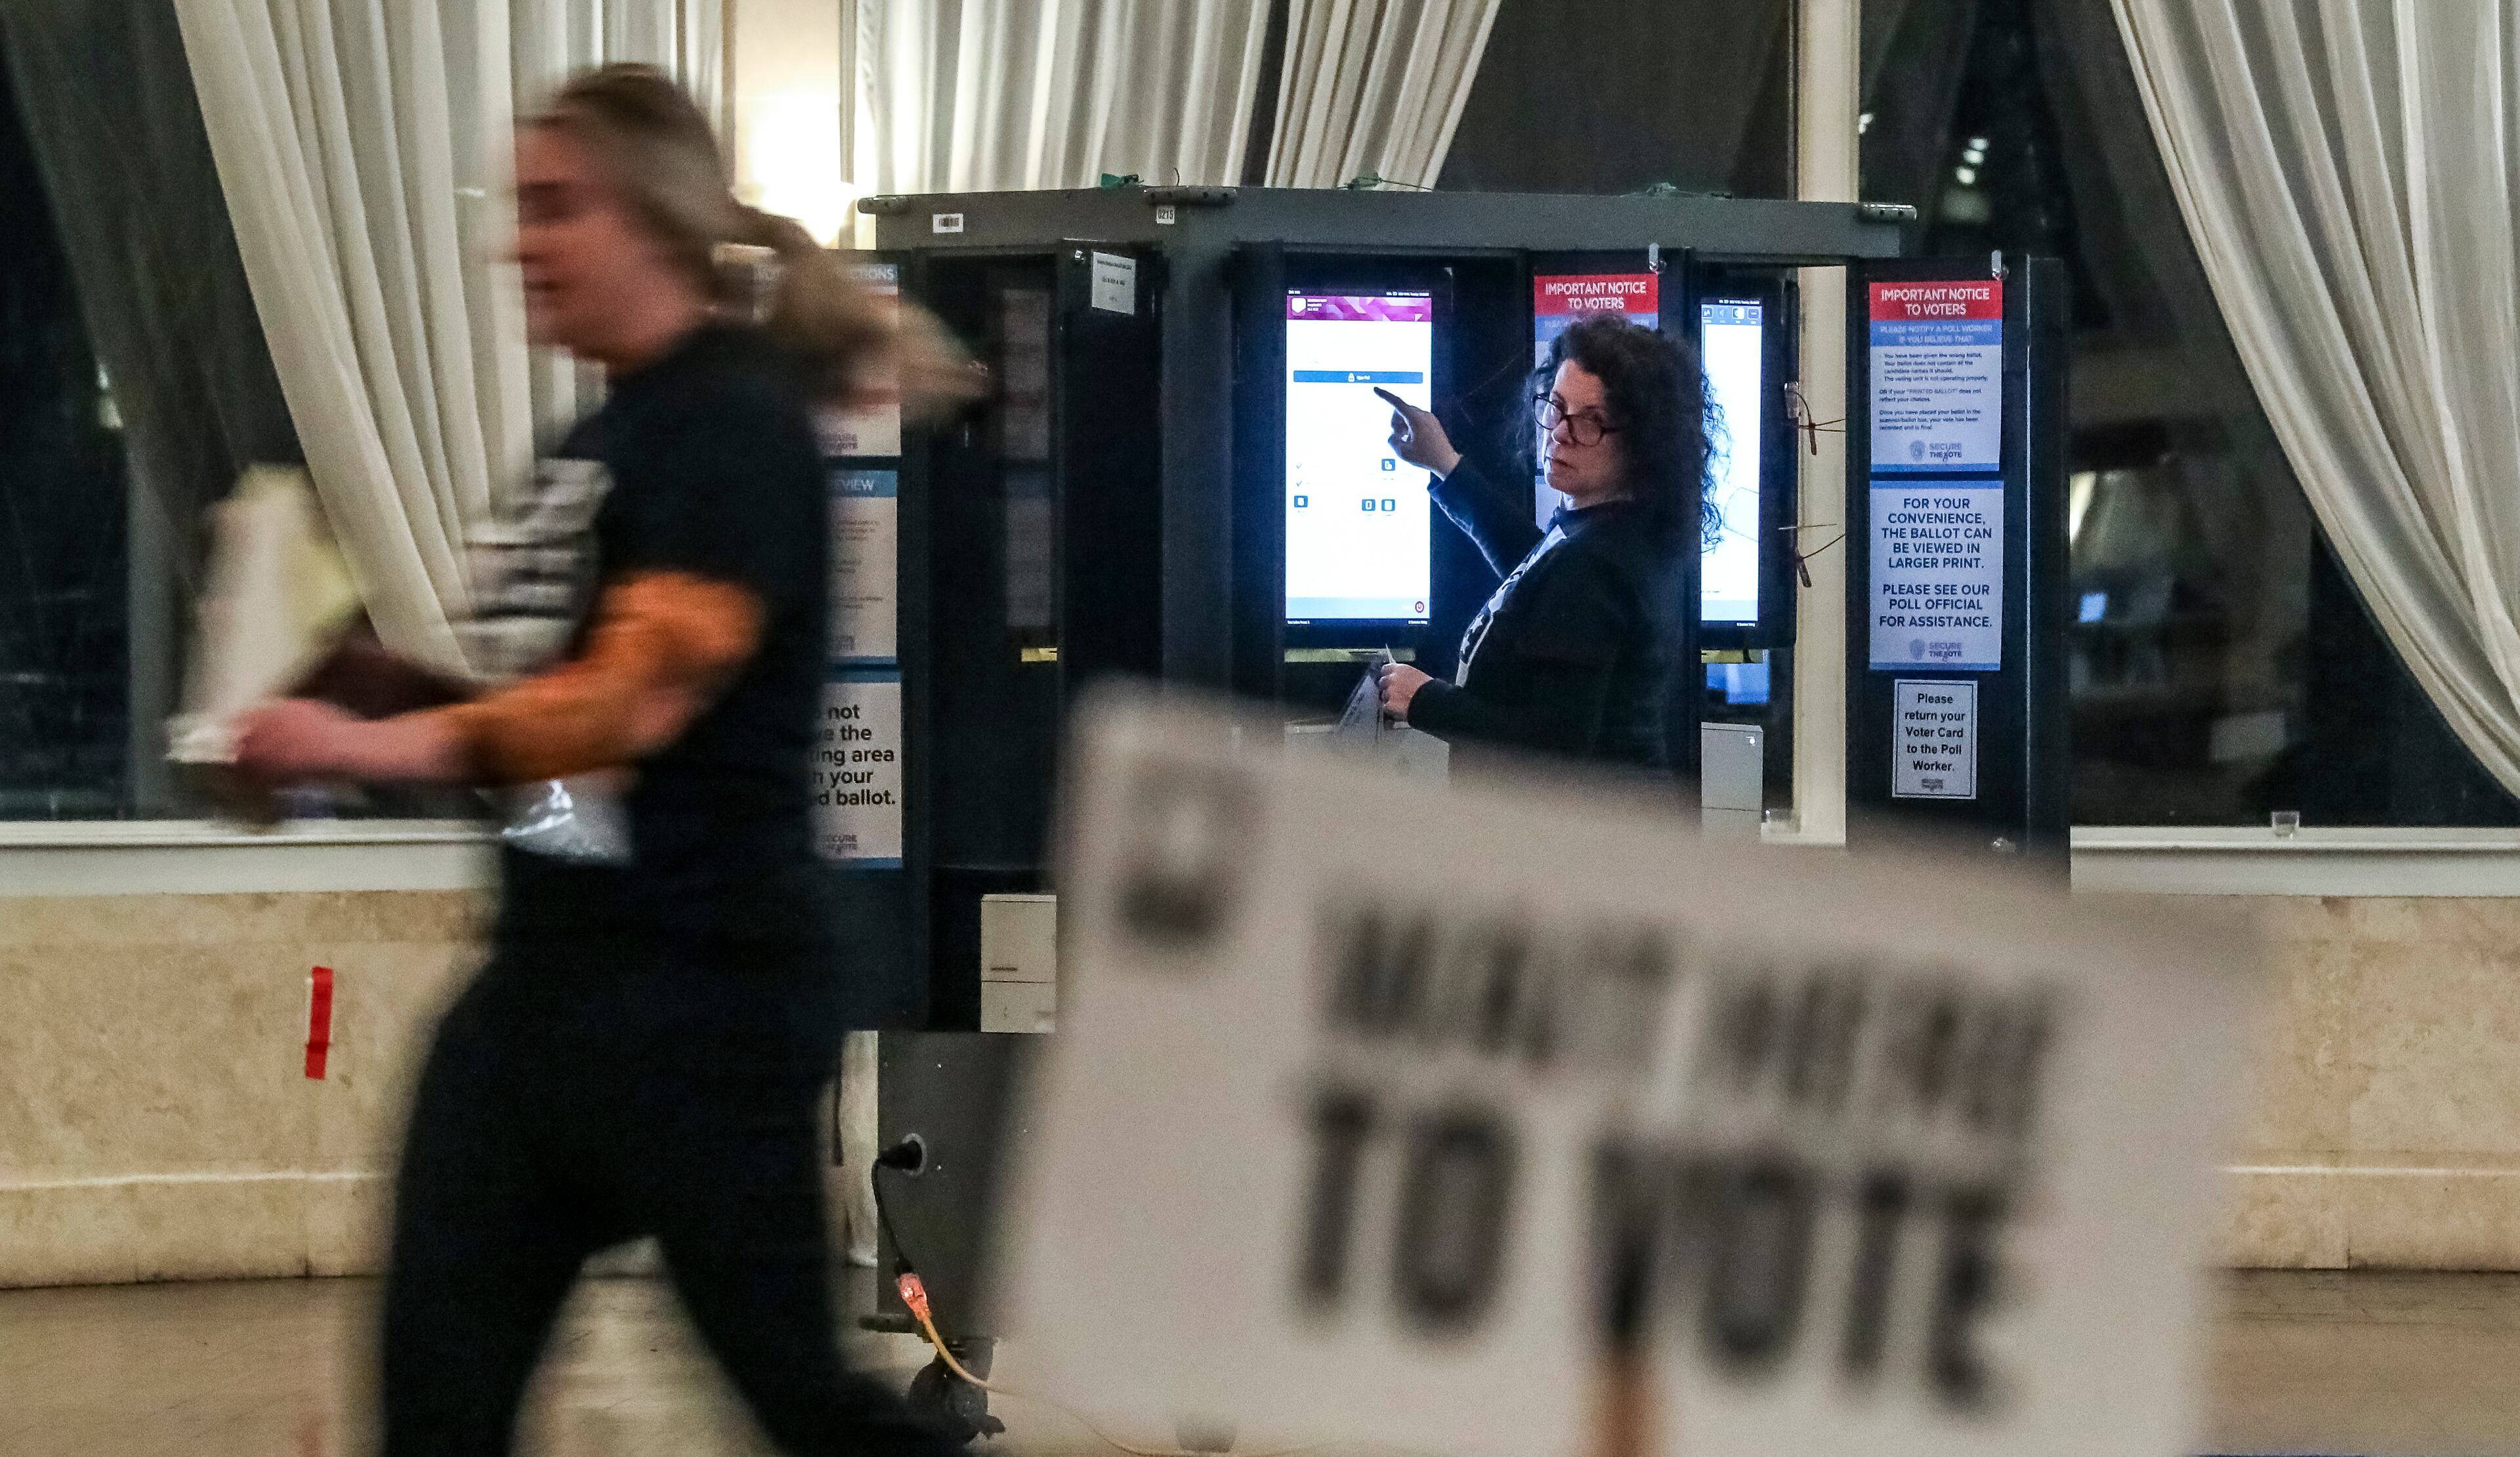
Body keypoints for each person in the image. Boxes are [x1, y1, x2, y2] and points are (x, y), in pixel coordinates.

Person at [232, 65, 967, 1457]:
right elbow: (566, 755)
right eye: (519, 208)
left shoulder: (732, 429)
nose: (521, 242)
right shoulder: (601, 441)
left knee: (804, 1412)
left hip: (703, 1002)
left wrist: (363, 739)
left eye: (555, 208)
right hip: (550, 996)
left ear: (656, 220)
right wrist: (401, 691)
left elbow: (629, 712)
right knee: (438, 1407)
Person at [1373, 315, 1709, 769]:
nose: (1561, 433)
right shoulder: (1606, 526)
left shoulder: (1598, 562)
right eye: (1557, 406)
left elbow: (1548, 745)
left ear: (1642, 443)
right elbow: (1534, 570)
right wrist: (1444, 464)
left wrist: (1424, 699)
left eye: (1593, 421)